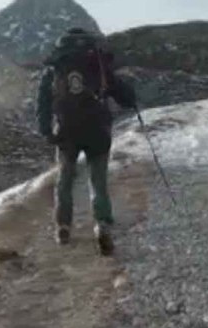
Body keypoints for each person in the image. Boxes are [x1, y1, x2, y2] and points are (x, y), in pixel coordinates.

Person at [36, 27, 137, 255]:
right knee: (97, 181)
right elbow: (122, 93)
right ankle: (102, 223)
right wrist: (131, 99)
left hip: (66, 132)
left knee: (65, 180)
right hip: (97, 131)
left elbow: (42, 103)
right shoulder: (98, 63)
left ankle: (63, 226)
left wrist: (46, 131)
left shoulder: (55, 67)